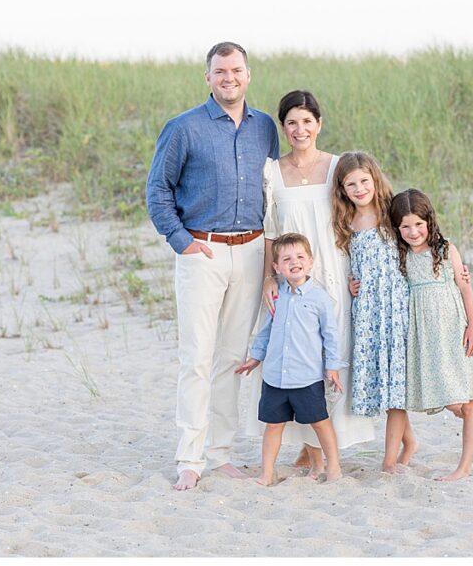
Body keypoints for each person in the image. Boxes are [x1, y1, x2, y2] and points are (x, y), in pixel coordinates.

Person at [146, 41, 280, 491]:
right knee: (197, 359)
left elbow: (272, 189)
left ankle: (221, 453)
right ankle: (190, 457)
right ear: (208, 77)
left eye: (236, 70)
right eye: (220, 72)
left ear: (248, 74)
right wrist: (181, 242)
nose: (229, 78)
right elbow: (158, 190)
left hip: (251, 250)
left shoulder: (264, 127)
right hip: (201, 251)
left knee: (232, 358)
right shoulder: (183, 128)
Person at [246, 90, 374, 478]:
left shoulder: (338, 167)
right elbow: (270, 230)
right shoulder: (272, 170)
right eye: (291, 123)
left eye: (307, 121)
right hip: (289, 277)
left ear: (319, 123)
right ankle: (307, 448)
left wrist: (365, 273)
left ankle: (325, 447)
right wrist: (270, 276)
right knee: (294, 354)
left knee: (330, 356)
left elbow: (364, 214)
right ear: (282, 127)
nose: (300, 129)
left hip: (333, 270)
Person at [389, 188, 473, 481]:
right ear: (397, 228)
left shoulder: (446, 249)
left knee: (469, 399)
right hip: (424, 336)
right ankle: (448, 422)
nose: (413, 231)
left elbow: (465, 289)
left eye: (418, 224)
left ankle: (464, 466)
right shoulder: (400, 255)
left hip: (453, 329)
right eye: (406, 226)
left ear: (429, 221)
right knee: (449, 396)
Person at [331, 151, 417, 474]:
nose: (359, 188)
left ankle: (389, 459)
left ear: (374, 179)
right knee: (381, 382)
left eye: (364, 181)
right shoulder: (346, 221)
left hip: (395, 308)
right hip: (367, 312)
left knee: (396, 383)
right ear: (342, 188)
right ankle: (410, 440)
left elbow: (420, 239)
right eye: (350, 184)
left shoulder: (391, 212)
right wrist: (352, 285)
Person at [235, 233, 345, 485]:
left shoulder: (319, 298)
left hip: (307, 377)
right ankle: (266, 472)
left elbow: (330, 336)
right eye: (286, 259)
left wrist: (333, 367)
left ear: (310, 261)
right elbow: (266, 330)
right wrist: (255, 357)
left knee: (320, 422)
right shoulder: (276, 296)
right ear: (277, 267)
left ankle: (334, 466)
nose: (294, 262)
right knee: (273, 426)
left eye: (299, 257)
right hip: (275, 377)